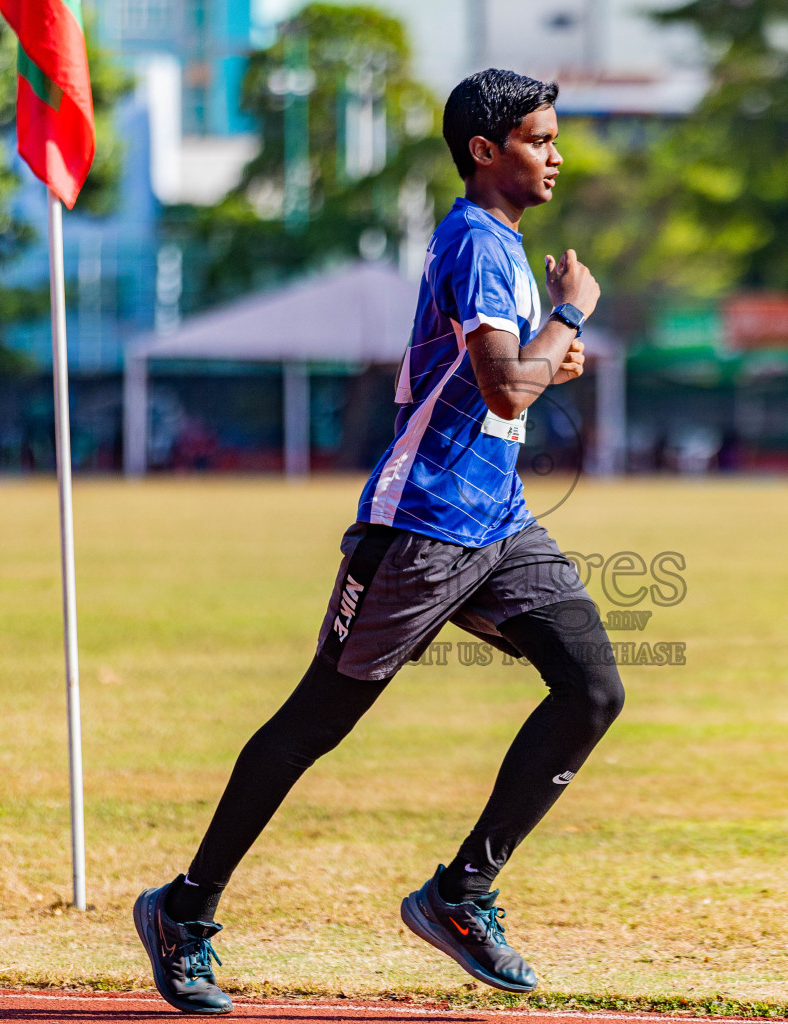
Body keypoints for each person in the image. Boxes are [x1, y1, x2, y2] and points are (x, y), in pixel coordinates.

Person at [134, 68, 623, 1014]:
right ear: (486, 152)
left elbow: (513, 381)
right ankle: (183, 910)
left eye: (555, 138)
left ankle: (461, 893)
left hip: (499, 524)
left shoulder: (502, 248)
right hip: (420, 526)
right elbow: (508, 387)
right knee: (317, 723)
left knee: (593, 686)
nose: (556, 155)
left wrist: (544, 351)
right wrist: (569, 312)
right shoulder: (480, 243)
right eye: (541, 139)